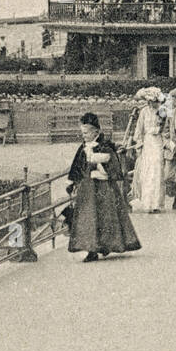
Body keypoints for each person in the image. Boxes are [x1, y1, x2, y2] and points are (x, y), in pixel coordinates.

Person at [67, 112, 141, 262]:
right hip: (87, 189)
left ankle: (104, 245)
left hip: (104, 188)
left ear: (96, 131)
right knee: (89, 218)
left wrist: (100, 166)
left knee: (106, 217)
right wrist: (72, 182)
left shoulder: (105, 146)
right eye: (82, 133)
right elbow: (76, 165)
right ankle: (92, 250)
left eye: (86, 132)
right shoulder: (84, 147)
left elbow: (114, 167)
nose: (84, 136)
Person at [130, 92, 166, 213]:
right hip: (148, 143)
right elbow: (139, 129)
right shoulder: (144, 112)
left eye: (156, 101)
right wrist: (139, 144)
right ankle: (148, 204)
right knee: (148, 172)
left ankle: (157, 204)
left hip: (158, 142)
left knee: (157, 171)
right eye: (152, 101)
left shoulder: (163, 110)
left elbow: (167, 127)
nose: (154, 104)